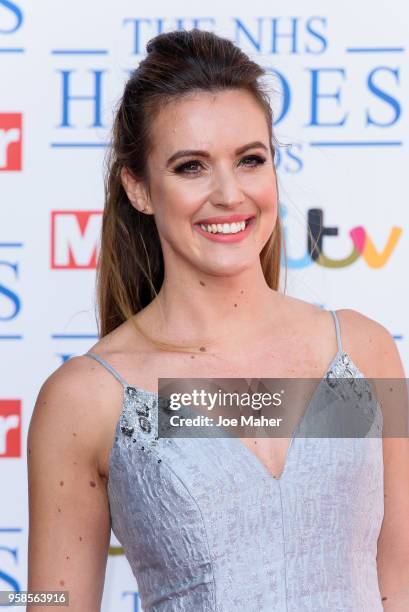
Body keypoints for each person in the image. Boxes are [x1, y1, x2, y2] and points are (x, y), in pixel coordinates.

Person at [27, 29, 409, 611]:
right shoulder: (87, 398)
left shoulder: (365, 350)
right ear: (139, 188)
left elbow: (400, 583)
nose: (229, 194)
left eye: (250, 160)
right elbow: (50, 603)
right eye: (191, 167)